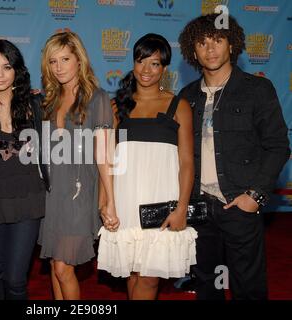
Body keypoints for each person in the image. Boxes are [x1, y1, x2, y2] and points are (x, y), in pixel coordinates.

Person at [178, 13, 290, 300]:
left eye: (218, 40)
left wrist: (255, 196)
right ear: (193, 51)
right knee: (207, 284)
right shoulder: (187, 96)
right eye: (202, 43)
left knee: (248, 287)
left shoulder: (256, 90)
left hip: (239, 205)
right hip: (200, 208)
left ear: (232, 45)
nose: (211, 48)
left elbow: (277, 145)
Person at [97, 33, 197, 300]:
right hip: (126, 200)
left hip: (162, 201)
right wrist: (105, 201)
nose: (146, 70)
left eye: (154, 64)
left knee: (150, 277)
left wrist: (181, 208)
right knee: (132, 273)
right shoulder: (117, 106)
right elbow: (105, 159)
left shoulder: (179, 106)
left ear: (164, 68)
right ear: (133, 63)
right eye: (141, 61)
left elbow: (187, 163)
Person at [37, 31, 115, 300]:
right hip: (51, 193)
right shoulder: (48, 101)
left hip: (80, 193)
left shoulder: (97, 98)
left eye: (65, 59)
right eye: (53, 61)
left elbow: (105, 155)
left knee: (63, 267)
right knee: (54, 266)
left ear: (79, 60)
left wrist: (109, 201)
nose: (59, 67)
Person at [0, 39, 49, 300]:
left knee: (16, 279)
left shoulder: (36, 105)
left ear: (17, 70)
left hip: (28, 196)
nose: (0, 74)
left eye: (7, 67)